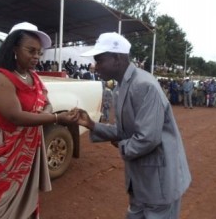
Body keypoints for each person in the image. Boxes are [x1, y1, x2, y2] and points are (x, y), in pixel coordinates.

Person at [0, 22, 79, 219]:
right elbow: (14, 116)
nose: (36, 57)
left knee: (20, 196)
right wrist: (57, 117)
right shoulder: (1, 78)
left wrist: (46, 111)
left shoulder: (34, 78)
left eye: (39, 52)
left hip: (24, 151)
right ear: (14, 48)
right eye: (31, 50)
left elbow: (46, 103)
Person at [78, 32, 191, 219]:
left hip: (159, 181)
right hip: (141, 180)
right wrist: (90, 124)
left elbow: (147, 138)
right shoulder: (121, 87)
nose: (96, 67)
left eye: (99, 60)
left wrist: (121, 145)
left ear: (117, 58)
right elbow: (124, 131)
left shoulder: (144, 85)